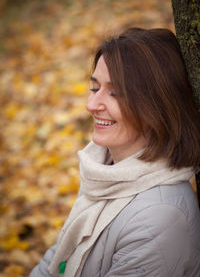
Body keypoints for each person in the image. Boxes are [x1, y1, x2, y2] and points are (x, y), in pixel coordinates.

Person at [30, 27, 200, 277]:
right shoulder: (104, 172)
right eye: (94, 88)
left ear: (156, 105)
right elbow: (57, 259)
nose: (91, 105)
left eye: (115, 92)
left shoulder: (159, 218)